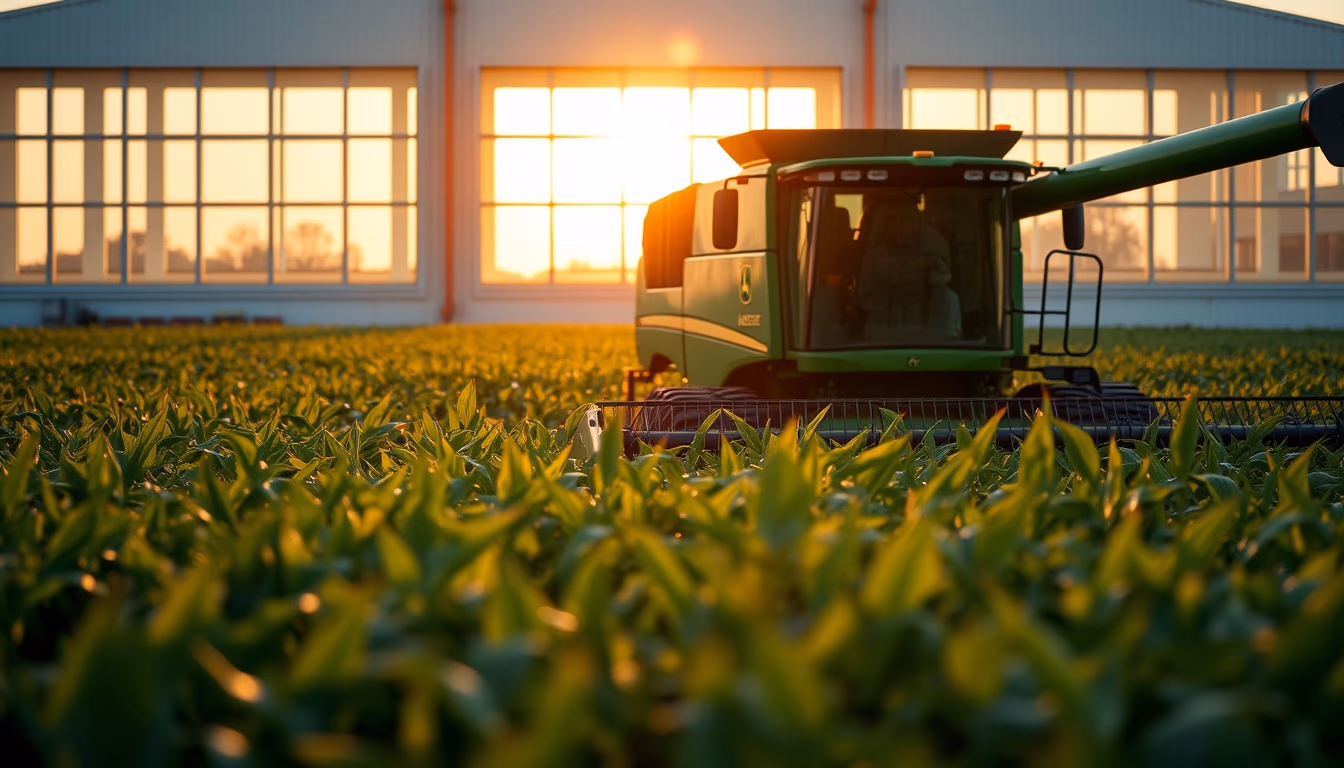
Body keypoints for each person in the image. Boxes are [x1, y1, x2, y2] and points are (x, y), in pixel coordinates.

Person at [856, 199, 962, 343]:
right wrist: (890, 289)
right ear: (889, 226)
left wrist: (923, 274)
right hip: (883, 332)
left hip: (929, 330)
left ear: (917, 225)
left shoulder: (929, 254)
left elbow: (945, 277)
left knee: (947, 296)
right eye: (897, 222)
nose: (903, 228)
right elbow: (864, 296)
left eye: (908, 221)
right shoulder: (875, 256)